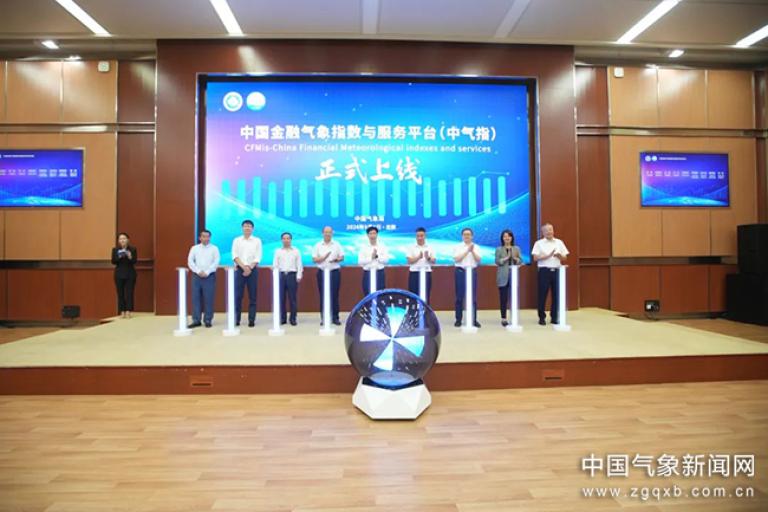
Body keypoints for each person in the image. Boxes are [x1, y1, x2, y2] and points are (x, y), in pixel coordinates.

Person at [531, 222, 569, 326]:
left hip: (557, 271)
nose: (549, 232)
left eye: (551, 229)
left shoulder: (559, 242)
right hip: (544, 271)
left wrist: (559, 256)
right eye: (546, 230)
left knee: (557, 295)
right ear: (543, 232)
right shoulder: (538, 243)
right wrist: (547, 256)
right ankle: (541, 317)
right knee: (542, 295)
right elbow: (535, 258)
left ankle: (554, 317)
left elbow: (565, 257)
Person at [231, 219, 262, 327]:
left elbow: (258, 257)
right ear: (242, 228)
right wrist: (244, 267)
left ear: (252, 229)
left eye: (249, 226)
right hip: (240, 270)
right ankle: (236, 319)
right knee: (238, 296)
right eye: (245, 226)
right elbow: (234, 255)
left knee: (253, 296)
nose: (247, 228)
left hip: (253, 270)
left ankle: (251, 320)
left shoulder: (257, 241)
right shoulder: (237, 240)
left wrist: (249, 268)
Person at [187, 229, 220, 328]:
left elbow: (216, 261)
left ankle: (208, 319)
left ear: (210, 237)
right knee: (196, 298)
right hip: (196, 276)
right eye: (203, 236)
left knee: (209, 298)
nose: (206, 238)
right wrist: (198, 271)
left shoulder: (214, 248)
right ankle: (196, 320)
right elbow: (190, 261)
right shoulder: (194, 248)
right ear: (200, 238)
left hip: (209, 276)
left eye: (207, 236)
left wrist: (207, 272)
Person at [312, 226, 345, 325]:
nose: (327, 234)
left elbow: (342, 257)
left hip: (334, 272)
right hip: (322, 272)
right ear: (322, 233)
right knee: (323, 295)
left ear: (332, 233)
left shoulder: (337, 244)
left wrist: (337, 259)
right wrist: (323, 258)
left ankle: (335, 317)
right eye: (326, 232)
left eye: (329, 232)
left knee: (334, 295)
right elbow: (314, 259)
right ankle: (324, 318)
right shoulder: (318, 245)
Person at [453, 227, 482, 328]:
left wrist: (472, 251)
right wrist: (467, 251)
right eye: (465, 234)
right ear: (462, 236)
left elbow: (478, 260)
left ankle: (473, 320)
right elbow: (456, 259)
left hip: (472, 272)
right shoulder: (458, 246)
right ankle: (458, 319)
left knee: (473, 297)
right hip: (460, 272)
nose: (467, 236)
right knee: (459, 297)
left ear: (472, 236)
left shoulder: (476, 247)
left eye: (468, 234)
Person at [273, 232, 303, 326]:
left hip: (292, 275)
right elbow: (275, 265)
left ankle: (293, 318)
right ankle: (282, 318)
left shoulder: (296, 251)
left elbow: (299, 264)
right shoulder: (278, 251)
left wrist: (299, 276)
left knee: (292, 298)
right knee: (281, 298)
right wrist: (275, 277)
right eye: (284, 238)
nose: (286, 240)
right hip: (281, 276)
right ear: (281, 240)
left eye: (288, 238)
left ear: (291, 240)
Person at [495, 229, 522, 327]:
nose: (507, 238)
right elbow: (497, 261)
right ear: (502, 238)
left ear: (512, 238)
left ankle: (513, 317)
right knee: (503, 298)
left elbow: (520, 261)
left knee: (513, 298)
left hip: (513, 275)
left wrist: (516, 259)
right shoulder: (499, 249)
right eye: (505, 236)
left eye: (509, 236)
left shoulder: (516, 248)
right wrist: (507, 258)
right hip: (503, 276)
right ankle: (504, 318)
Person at [111, 232, 137, 319]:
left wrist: (130, 256)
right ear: (118, 241)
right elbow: (113, 261)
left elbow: (134, 261)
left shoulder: (133, 249)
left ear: (128, 240)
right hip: (119, 273)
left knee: (129, 293)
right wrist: (119, 256)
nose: (122, 240)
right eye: (120, 239)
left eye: (124, 238)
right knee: (120, 293)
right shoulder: (115, 249)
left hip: (130, 273)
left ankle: (129, 311)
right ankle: (122, 311)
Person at [406, 227, 436, 304]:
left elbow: (434, 261)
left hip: (426, 273)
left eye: (421, 236)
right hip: (414, 273)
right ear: (415, 236)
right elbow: (409, 261)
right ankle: (414, 315)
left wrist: (428, 258)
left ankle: (425, 315)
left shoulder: (430, 247)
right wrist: (418, 257)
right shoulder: (411, 247)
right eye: (418, 236)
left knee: (426, 294)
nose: (420, 238)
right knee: (413, 295)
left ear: (425, 236)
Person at [358, 226, 389, 296]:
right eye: (370, 233)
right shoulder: (363, 247)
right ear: (367, 235)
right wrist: (371, 258)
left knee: (381, 294)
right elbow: (360, 262)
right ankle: (369, 307)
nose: (372, 235)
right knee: (368, 294)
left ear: (377, 234)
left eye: (374, 233)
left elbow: (386, 260)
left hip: (379, 273)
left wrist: (377, 257)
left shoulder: (382, 246)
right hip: (368, 273)